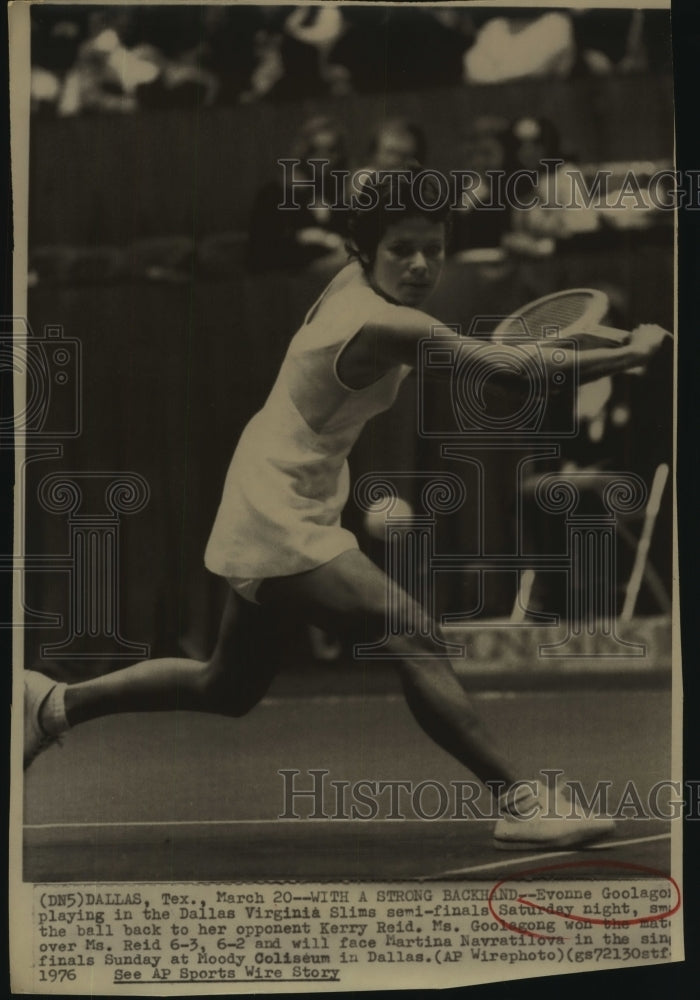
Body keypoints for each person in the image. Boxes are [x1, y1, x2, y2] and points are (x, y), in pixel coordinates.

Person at [24, 169, 668, 849]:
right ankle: (519, 799)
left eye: (433, 249)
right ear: (367, 251)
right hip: (276, 501)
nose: (421, 265)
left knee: (227, 685)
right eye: (401, 250)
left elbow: (502, 389)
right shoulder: (383, 321)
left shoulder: (360, 287)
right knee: (412, 631)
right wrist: (630, 353)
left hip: (284, 477)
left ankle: (52, 703)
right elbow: (510, 377)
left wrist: (568, 357)